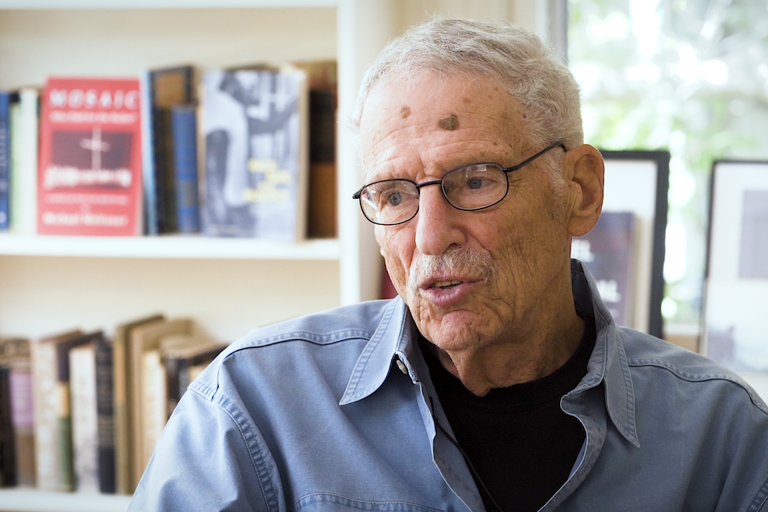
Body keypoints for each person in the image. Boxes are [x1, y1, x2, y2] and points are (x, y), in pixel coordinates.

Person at [129, 19, 768, 512]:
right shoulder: (253, 409)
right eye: (394, 196)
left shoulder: (723, 439)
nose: (430, 237)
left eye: (476, 180)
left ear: (579, 191)